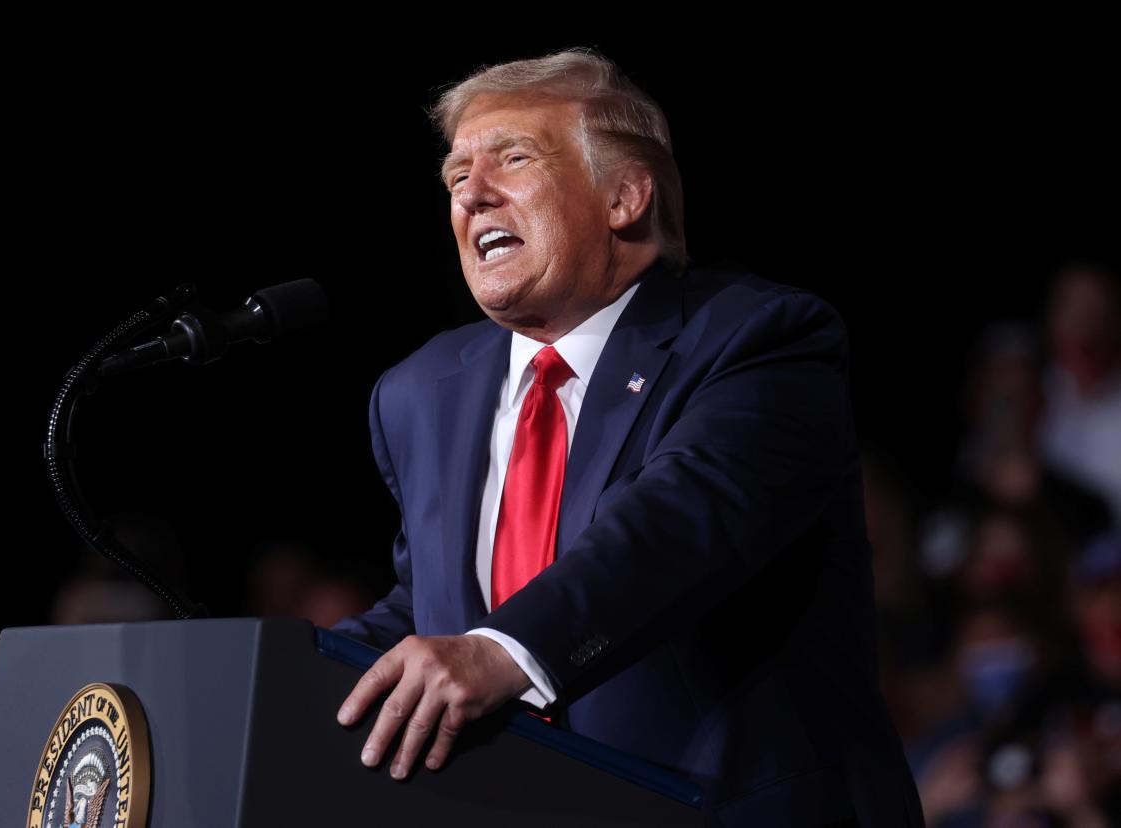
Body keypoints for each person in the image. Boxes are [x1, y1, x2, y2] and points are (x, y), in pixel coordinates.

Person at [331, 47, 924, 827]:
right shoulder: (419, 392)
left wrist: (502, 651)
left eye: (513, 158)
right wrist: (275, 671)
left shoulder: (759, 341)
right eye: (454, 176)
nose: (471, 194)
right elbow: (433, 610)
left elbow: (675, 527)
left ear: (625, 197)